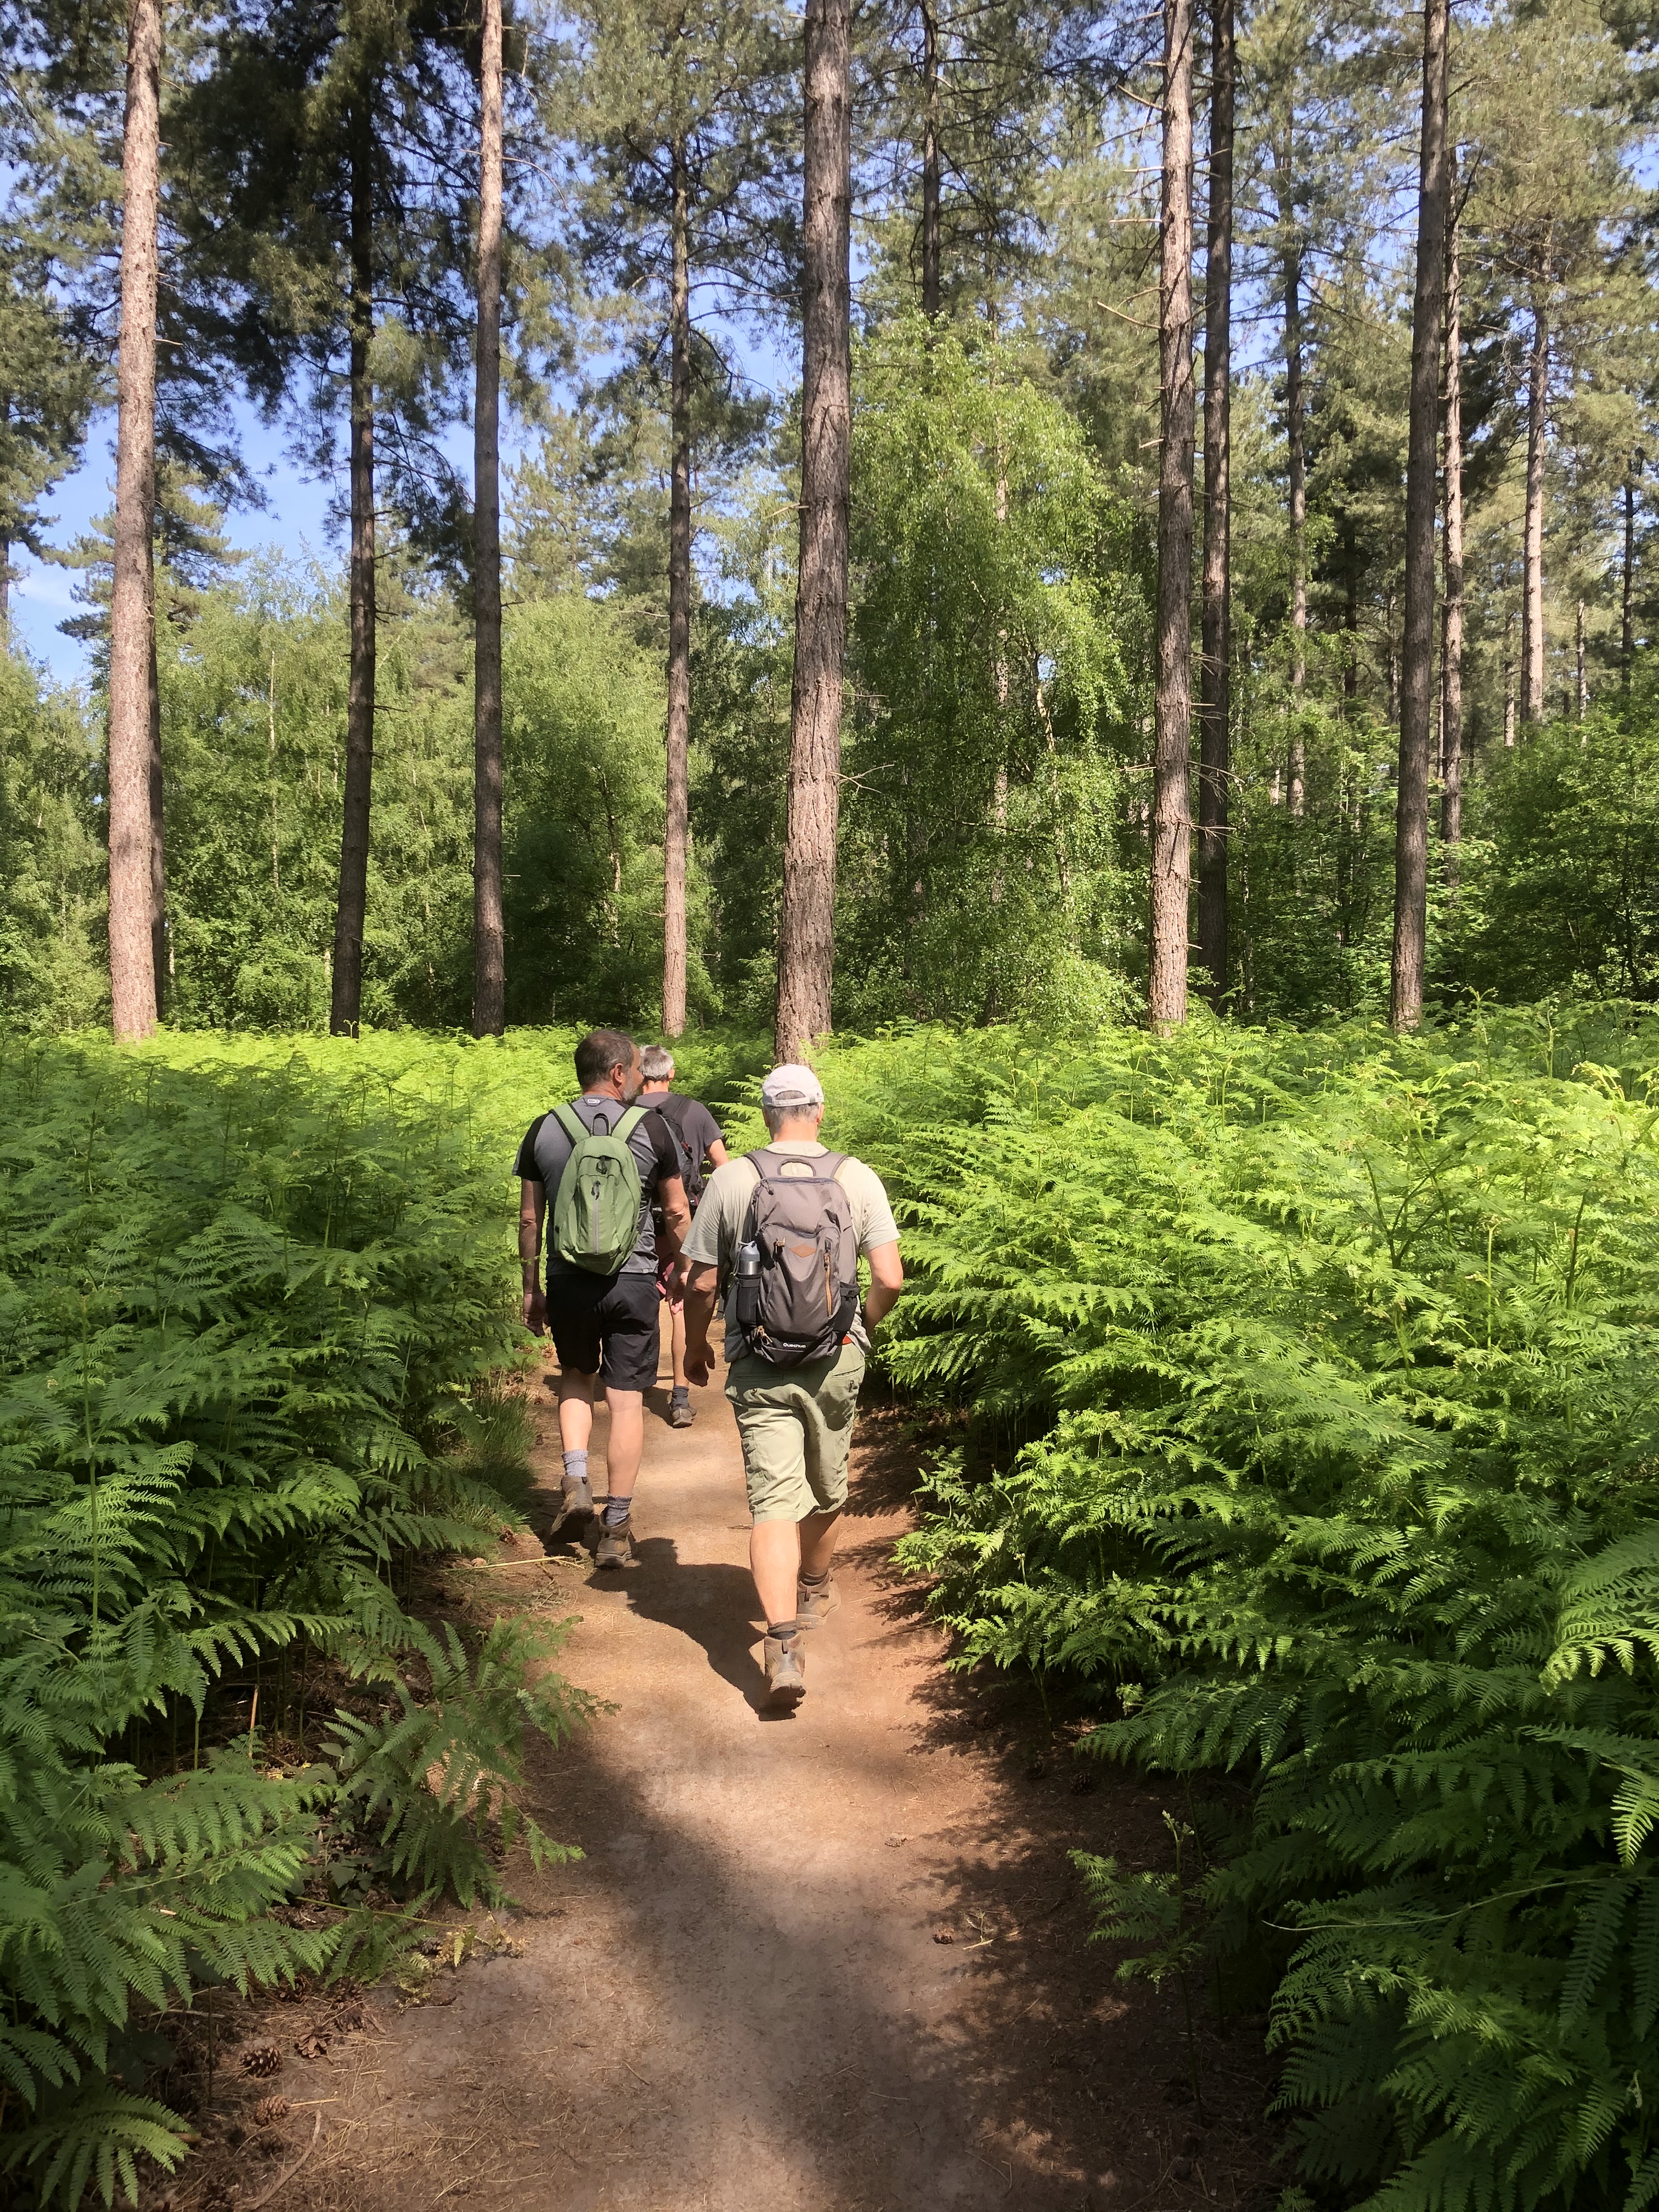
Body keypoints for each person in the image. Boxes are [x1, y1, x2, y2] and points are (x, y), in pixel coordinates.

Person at [681, 1063, 903, 1707]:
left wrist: (695, 1346)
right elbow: (889, 1278)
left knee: (773, 1500)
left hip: (758, 1359)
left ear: (765, 1115)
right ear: (820, 1111)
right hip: (838, 1356)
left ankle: (782, 1647)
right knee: (827, 1482)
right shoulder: (856, 1177)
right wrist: (859, 1328)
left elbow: (702, 1281)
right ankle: (813, 1588)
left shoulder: (733, 1179)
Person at [517, 1029, 690, 1568]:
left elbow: (530, 1219)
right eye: (635, 1069)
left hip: (569, 1280)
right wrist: (684, 1269)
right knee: (626, 1400)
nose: (638, 1077)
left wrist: (531, 1287)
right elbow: (677, 1211)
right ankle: (615, 1528)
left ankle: (576, 1477)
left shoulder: (544, 1128)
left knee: (575, 1375)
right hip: (633, 1281)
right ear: (618, 1073)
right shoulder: (651, 1128)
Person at [639, 1044, 729, 1429]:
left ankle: (633, 1382)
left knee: (640, 1299)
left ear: (639, 1074)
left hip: (638, 1222)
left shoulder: (624, 1113)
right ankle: (679, 1397)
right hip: (685, 1220)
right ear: (671, 1073)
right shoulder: (695, 1111)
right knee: (680, 1302)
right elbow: (723, 1166)